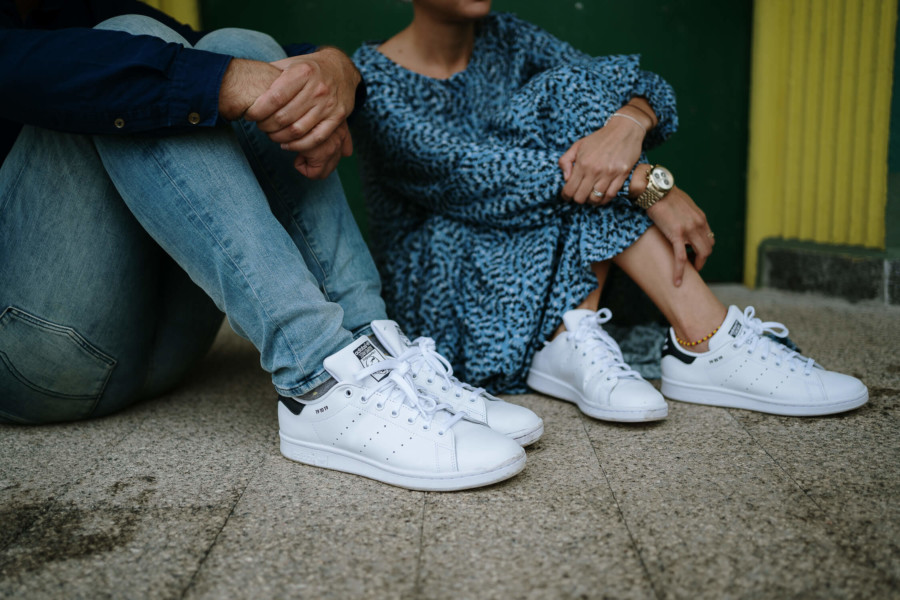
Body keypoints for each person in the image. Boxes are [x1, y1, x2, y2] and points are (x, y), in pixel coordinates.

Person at [0, 0, 544, 491]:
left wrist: (335, 68)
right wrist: (220, 83)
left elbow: (235, 61)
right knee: (128, 51)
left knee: (244, 49)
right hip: (36, 358)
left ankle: (369, 352)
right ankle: (319, 379)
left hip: (159, 349)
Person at [350, 0, 869, 421]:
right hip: (441, 287)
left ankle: (577, 331)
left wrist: (629, 123)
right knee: (586, 165)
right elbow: (477, 176)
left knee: (583, 108)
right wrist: (646, 183)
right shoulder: (372, 76)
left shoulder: (507, 36)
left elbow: (638, 87)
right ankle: (704, 342)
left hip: (537, 240)